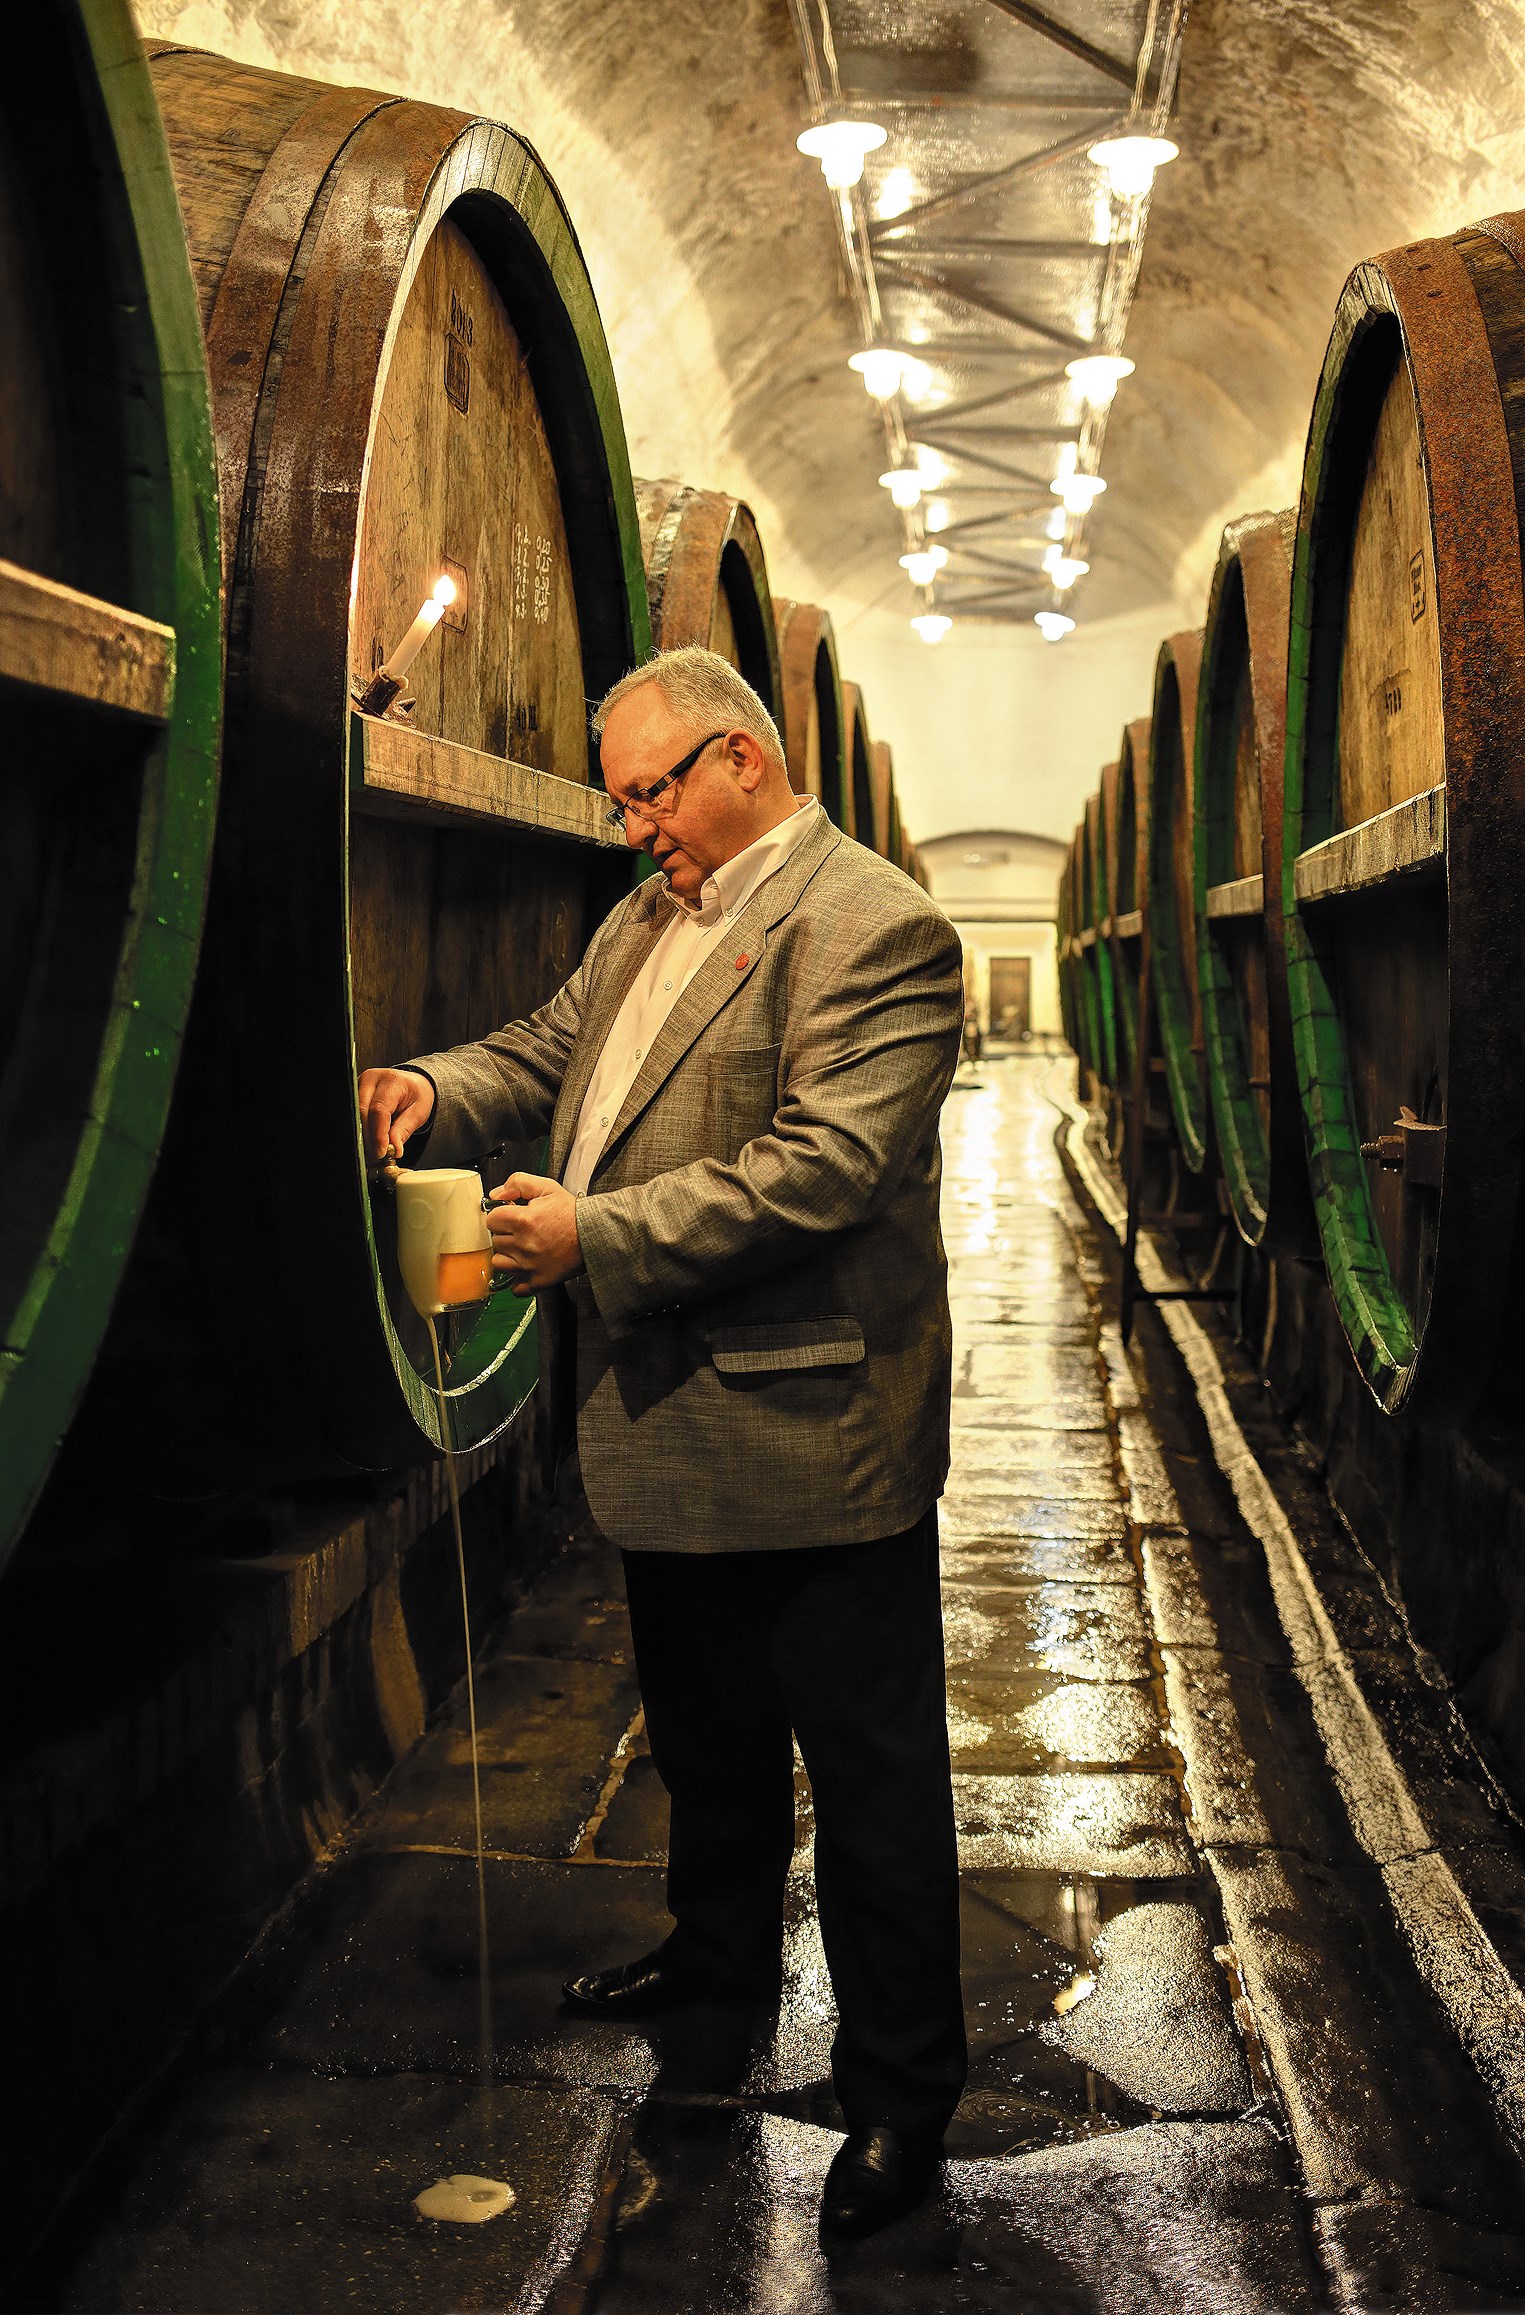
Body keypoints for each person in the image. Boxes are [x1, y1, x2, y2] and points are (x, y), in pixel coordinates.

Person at [358, 646, 966, 2238]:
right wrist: (428, 1085)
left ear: (737, 760)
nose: (633, 828)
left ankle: (901, 2096)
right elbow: (544, 1052)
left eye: (647, 795)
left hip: (814, 1430)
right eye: (623, 802)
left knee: (872, 1782)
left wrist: (597, 1238)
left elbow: (822, 1169)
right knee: (705, 1743)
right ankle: (716, 1965)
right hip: (667, 1423)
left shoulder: (875, 926)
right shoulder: (647, 917)